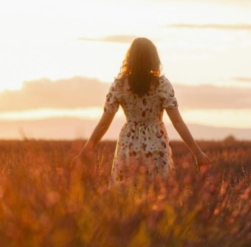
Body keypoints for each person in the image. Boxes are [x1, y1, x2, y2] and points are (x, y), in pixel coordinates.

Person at [72, 37, 210, 189]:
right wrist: (198, 153)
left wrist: (83, 154)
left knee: (126, 194)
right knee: (158, 194)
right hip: (156, 143)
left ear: (130, 58)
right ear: (153, 58)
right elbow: (177, 122)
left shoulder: (119, 85)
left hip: (128, 144)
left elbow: (103, 125)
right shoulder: (162, 85)